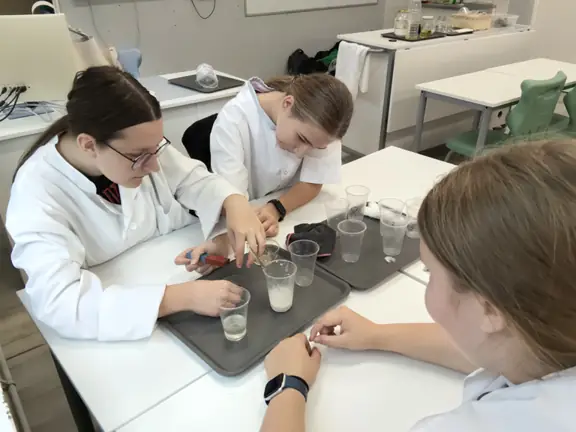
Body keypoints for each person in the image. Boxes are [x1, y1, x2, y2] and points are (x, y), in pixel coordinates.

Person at [261, 140, 576, 431]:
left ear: (489, 309)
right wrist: (377, 335)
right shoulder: (547, 340)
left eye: (430, 272)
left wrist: (288, 384)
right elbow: (502, 347)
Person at [6, 66, 265, 342]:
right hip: (122, 314)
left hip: (167, 268)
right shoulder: (36, 190)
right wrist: (179, 297)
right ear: (88, 145)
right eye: (139, 156)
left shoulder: (137, 147)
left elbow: (194, 180)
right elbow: (60, 303)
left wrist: (234, 202)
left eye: (156, 149)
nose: (154, 166)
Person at [210, 74, 354, 237]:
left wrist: (276, 208)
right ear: (287, 104)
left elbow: (314, 181)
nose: (301, 152)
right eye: (302, 138)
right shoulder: (233, 120)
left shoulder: (326, 126)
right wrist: (255, 219)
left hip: (280, 214)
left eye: (316, 148)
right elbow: (232, 202)